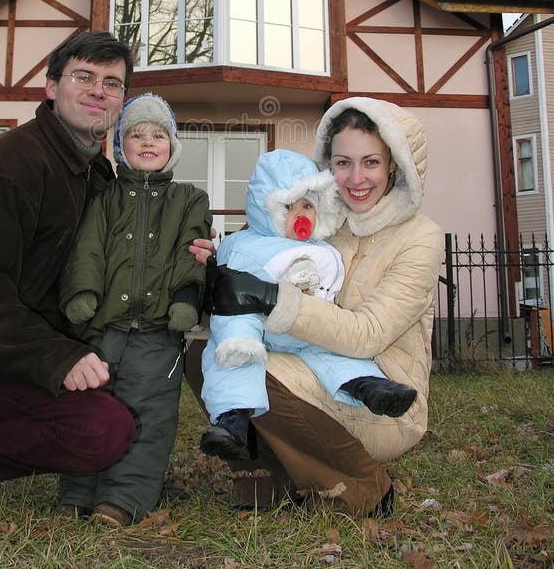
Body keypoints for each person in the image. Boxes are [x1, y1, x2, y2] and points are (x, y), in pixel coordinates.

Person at [0, 30, 214, 514]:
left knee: (130, 404)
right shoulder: (8, 167)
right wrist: (56, 357)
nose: (98, 90)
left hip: (55, 343)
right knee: (101, 430)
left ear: (120, 102)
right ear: (51, 86)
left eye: (112, 83)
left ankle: (128, 477)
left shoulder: (98, 175)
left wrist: (189, 257)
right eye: (84, 76)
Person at [188, 97, 444, 517]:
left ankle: (363, 488)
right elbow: (260, 253)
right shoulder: (322, 223)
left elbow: (368, 334)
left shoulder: (420, 237)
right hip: (309, 366)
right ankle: (272, 479)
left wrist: (270, 297)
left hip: (381, 394)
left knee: (258, 369)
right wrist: (218, 270)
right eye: (343, 163)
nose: (356, 178)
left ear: (395, 165)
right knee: (208, 353)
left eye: (371, 163)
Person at [199, 149, 417, 461]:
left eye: (308, 205)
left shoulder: (320, 247)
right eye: (289, 206)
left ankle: (371, 388)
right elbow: (226, 290)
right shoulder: (245, 245)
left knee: (335, 353)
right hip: (255, 330)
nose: (301, 215)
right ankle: (232, 421)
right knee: (231, 359)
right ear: (266, 207)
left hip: (307, 331)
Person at [57, 93, 212, 525]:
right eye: (136, 134)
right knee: (91, 408)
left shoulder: (188, 200)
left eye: (158, 134)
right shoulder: (105, 198)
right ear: (120, 146)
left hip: (158, 334)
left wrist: (186, 298)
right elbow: (87, 249)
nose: (147, 141)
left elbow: (191, 249)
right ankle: (77, 490)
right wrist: (82, 293)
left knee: (149, 413)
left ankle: (124, 497)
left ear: (172, 145)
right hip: (103, 330)